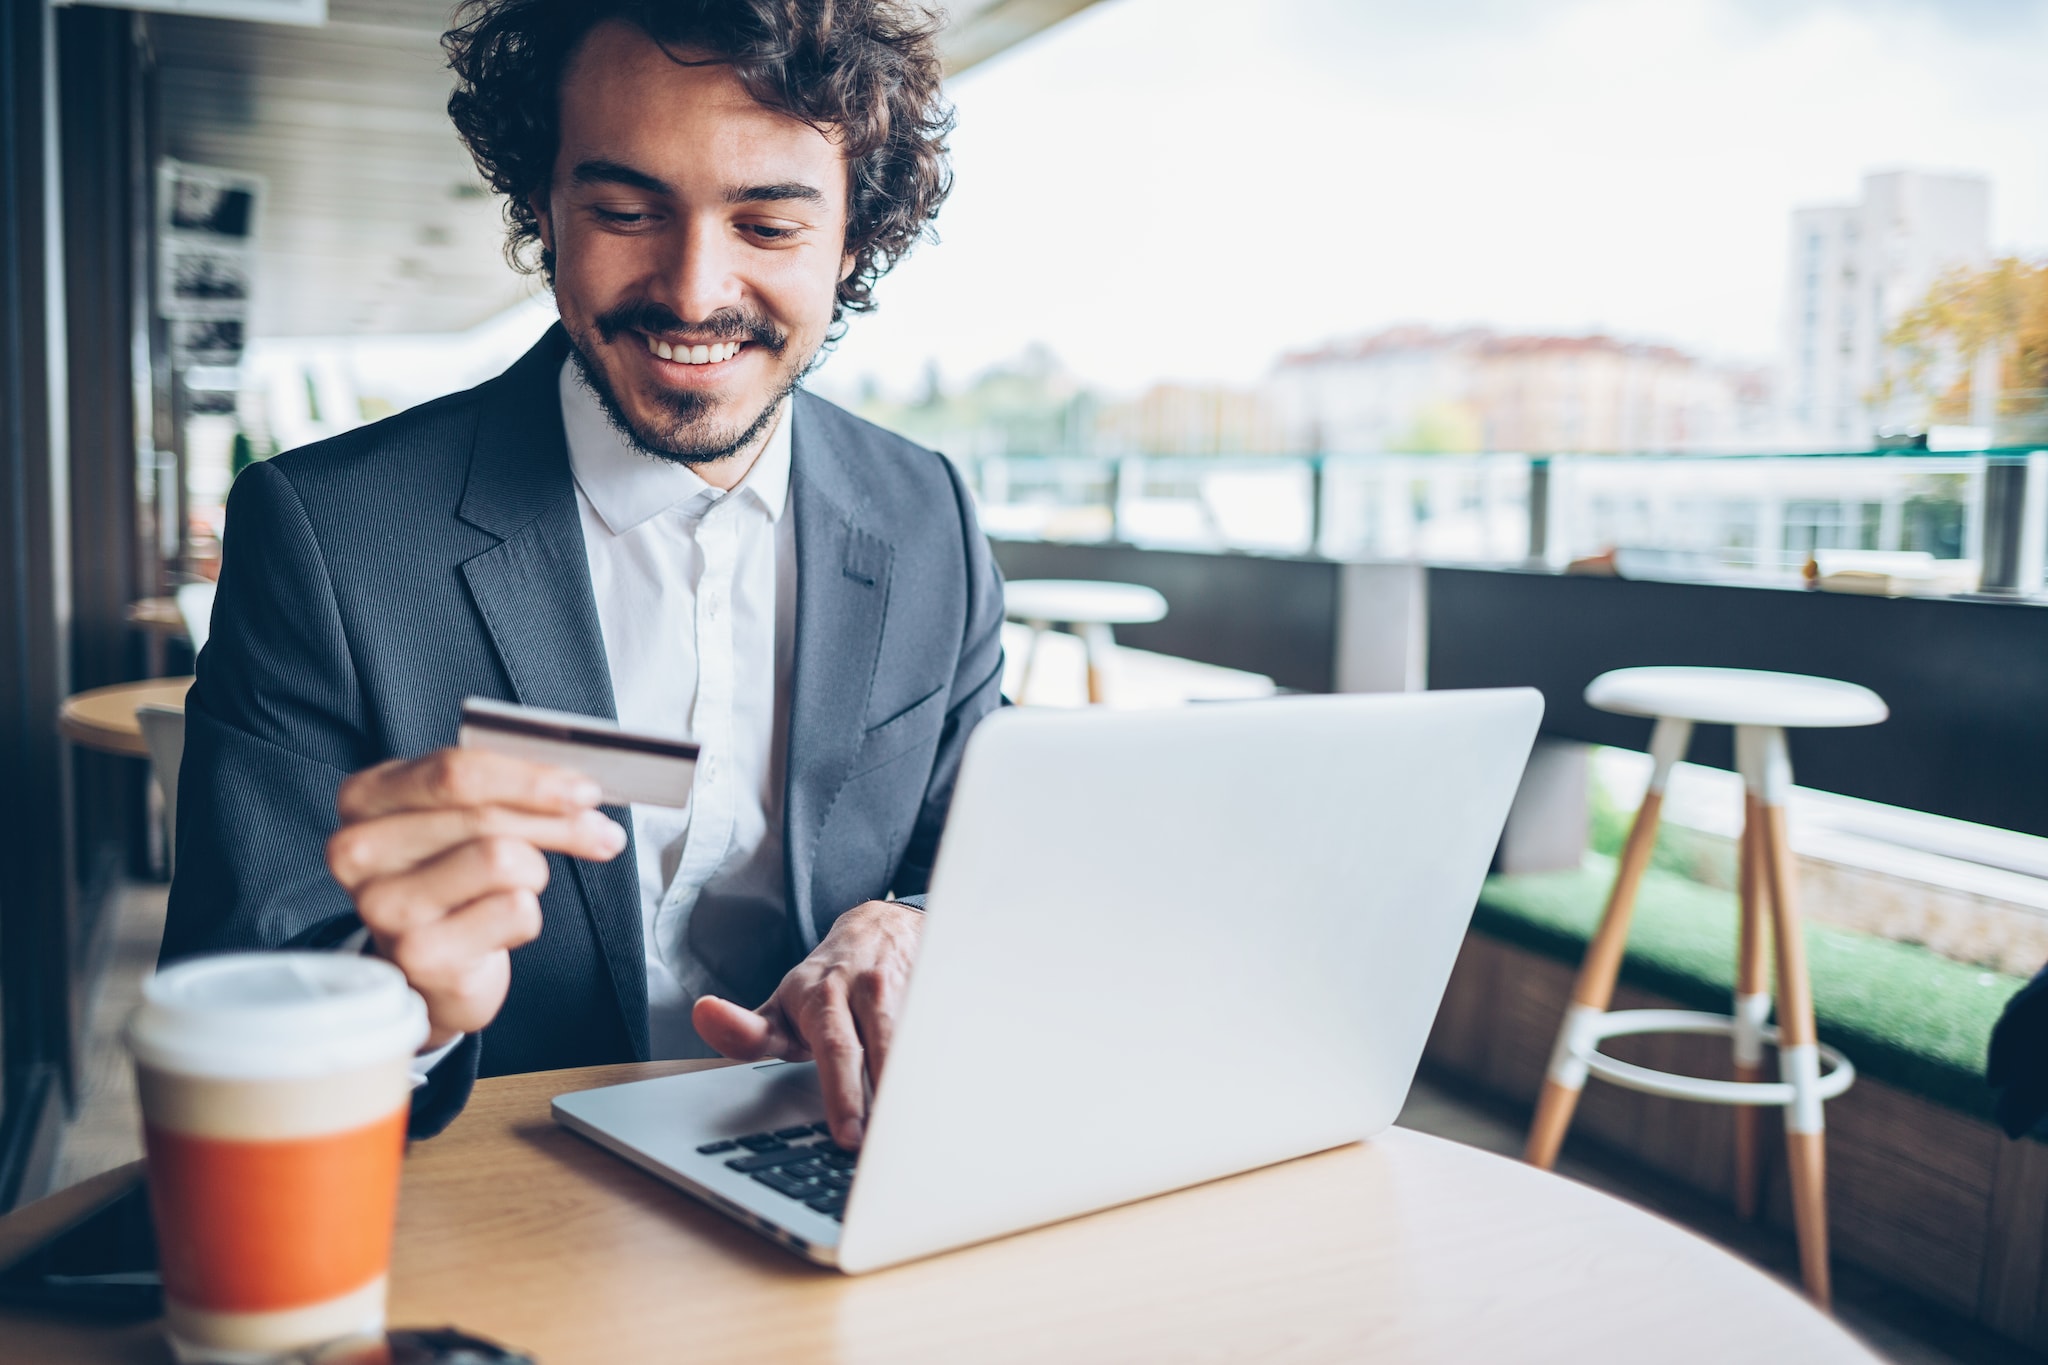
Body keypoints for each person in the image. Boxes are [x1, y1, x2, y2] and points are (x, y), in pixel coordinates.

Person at [160, 0, 1004, 1148]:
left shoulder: (931, 518)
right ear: (542, 211)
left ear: (854, 239)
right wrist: (392, 1002)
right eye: (623, 209)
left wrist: (905, 925)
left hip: (829, 1174)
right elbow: (223, 1008)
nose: (695, 290)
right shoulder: (325, 536)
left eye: (767, 226)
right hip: (486, 1210)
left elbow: (980, 853)